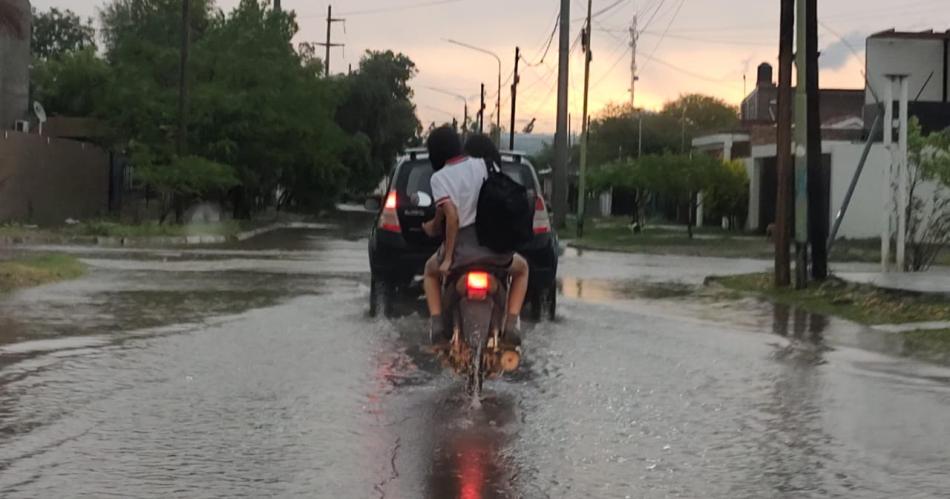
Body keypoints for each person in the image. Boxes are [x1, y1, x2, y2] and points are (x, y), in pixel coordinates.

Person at [421, 127, 529, 348]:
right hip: (496, 251)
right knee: (522, 269)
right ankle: (511, 324)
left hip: (462, 254)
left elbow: (451, 217)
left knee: (429, 272)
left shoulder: (439, 178)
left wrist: (449, 257)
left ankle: (437, 326)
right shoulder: (483, 165)